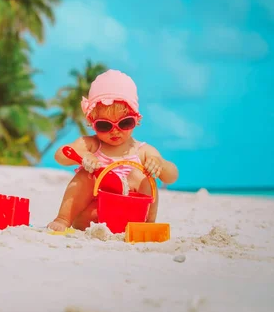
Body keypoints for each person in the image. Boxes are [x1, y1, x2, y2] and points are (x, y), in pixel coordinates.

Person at [47, 69, 179, 232]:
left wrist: (160, 165)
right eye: (105, 125)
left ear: (136, 119)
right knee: (87, 175)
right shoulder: (92, 145)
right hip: (92, 218)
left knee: (144, 177)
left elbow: (172, 176)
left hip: (131, 218)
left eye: (124, 123)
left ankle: (147, 226)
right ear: (92, 122)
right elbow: (60, 154)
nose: (115, 131)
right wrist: (83, 156)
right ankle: (63, 218)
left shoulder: (143, 151)